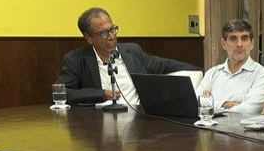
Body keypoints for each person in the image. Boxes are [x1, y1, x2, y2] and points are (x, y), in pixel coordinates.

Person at [55, 7, 201, 105]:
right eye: (104, 33)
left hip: (140, 123)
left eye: (113, 30)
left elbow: (163, 65)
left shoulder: (132, 51)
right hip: (99, 127)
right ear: (89, 38)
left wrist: (204, 73)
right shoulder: (76, 60)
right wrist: (102, 94)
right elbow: (61, 92)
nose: (111, 37)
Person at [196, 18, 264, 116]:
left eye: (244, 39)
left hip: (241, 130)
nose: (239, 44)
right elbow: (196, 101)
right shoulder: (212, 73)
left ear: (252, 44)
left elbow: (248, 110)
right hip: (208, 128)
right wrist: (226, 104)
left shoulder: (263, 75)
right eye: (233, 39)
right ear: (223, 44)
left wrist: (211, 105)